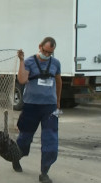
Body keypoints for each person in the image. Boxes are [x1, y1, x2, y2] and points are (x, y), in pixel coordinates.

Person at [14, 37, 62, 183]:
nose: (46, 55)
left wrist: (58, 102)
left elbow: (58, 82)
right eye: (45, 51)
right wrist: (21, 61)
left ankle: (44, 172)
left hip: (49, 107)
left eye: (50, 53)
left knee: (50, 140)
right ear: (40, 47)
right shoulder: (29, 61)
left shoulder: (55, 63)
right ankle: (16, 157)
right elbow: (22, 80)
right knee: (25, 138)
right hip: (31, 106)